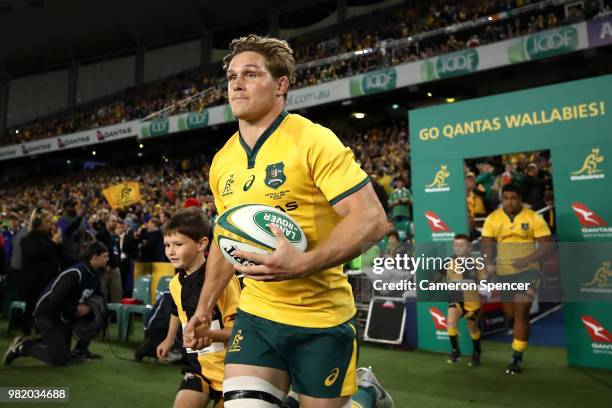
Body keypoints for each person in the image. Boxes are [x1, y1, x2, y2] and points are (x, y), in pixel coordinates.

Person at [183, 34, 391, 408]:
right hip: (258, 316)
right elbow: (225, 241)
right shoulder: (223, 161)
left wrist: (305, 262)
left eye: (250, 74)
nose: (237, 84)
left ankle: (365, 396)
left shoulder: (312, 140)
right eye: (232, 76)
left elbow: (373, 221)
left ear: (281, 85)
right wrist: (203, 309)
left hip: (322, 319)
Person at [157, 208, 241, 408]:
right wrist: (169, 339)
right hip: (198, 368)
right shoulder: (175, 283)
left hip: (231, 370)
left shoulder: (223, 281)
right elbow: (177, 312)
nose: (171, 251)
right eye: (167, 245)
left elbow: (240, 331)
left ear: (202, 244)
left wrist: (210, 335)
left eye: (178, 244)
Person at [481, 183, 552, 375]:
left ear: (520, 199)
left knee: (522, 310)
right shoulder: (493, 219)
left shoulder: (533, 218)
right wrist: (488, 264)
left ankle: (516, 358)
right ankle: (516, 330)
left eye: (513, 198)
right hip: (504, 273)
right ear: (501, 199)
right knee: (510, 315)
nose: (510, 202)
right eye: (506, 198)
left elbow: (547, 245)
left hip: (528, 271)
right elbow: (487, 244)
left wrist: (527, 259)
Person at [4, 241, 108, 366]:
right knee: (60, 359)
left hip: (65, 315)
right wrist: (75, 310)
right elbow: (56, 298)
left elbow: (99, 296)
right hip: (47, 315)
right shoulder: (76, 272)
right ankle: (21, 347)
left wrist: (89, 307)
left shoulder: (94, 274)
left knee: (98, 312)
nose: (108, 259)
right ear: (94, 257)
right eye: (105, 256)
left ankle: (79, 351)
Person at [435, 234, 485, 366]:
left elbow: (483, 282)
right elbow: (438, 276)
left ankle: (476, 352)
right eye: (455, 245)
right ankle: (455, 351)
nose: (458, 248)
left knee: (472, 328)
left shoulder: (476, 263)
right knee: (450, 322)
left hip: (472, 301)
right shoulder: (448, 262)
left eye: (462, 245)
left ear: (468, 247)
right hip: (455, 298)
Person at [19, 208, 63, 336]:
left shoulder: (46, 238)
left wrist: (57, 244)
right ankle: (26, 335)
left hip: (47, 280)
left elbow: (54, 255)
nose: (51, 224)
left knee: (45, 310)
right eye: (48, 221)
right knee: (31, 308)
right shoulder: (29, 238)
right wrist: (53, 243)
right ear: (39, 222)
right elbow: (37, 255)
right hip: (34, 281)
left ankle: (42, 333)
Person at [95, 212, 123, 302]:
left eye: (116, 221)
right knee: (103, 296)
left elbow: (118, 252)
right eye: (112, 221)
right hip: (103, 271)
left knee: (117, 295)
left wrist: (117, 264)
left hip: (115, 270)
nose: (115, 223)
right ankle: (103, 315)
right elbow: (97, 251)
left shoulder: (116, 237)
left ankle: (114, 316)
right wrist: (105, 266)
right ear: (107, 222)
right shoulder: (100, 234)